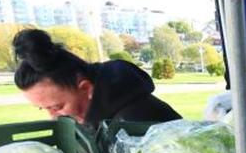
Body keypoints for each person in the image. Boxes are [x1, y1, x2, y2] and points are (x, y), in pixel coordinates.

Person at [13, 29, 180, 129]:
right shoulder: (92, 117)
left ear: (86, 88)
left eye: (57, 107)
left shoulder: (135, 121)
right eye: (44, 109)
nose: (53, 117)